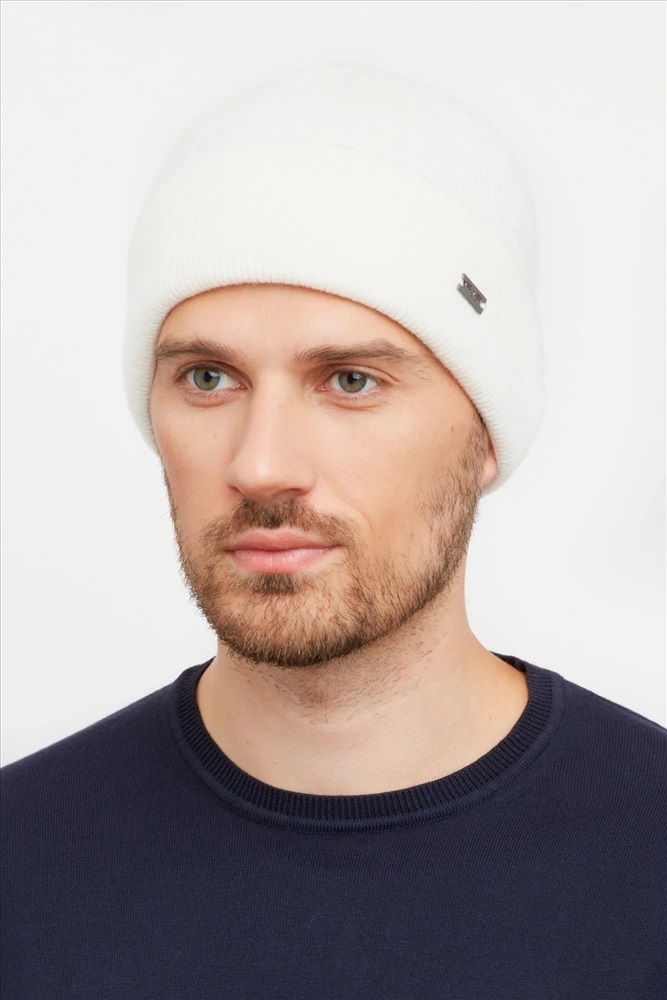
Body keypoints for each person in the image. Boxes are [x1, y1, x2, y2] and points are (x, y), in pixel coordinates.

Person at [1, 65, 665, 999]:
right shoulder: (22, 864)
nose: (261, 465)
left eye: (351, 380)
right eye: (207, 379)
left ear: (485, 433)